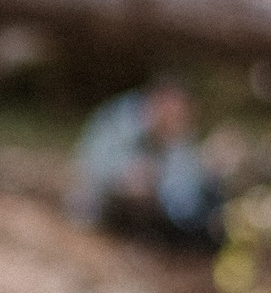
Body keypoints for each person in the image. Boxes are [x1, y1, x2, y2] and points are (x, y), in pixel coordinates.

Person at [66, 78, 222, 247]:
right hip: (104, 209)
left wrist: (209, 170)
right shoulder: (119, 123)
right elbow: (92, 167)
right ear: (157, 104)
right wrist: (126, 178)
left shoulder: (177, 137)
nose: (178, 120)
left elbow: (184, 193)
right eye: (172, 113)